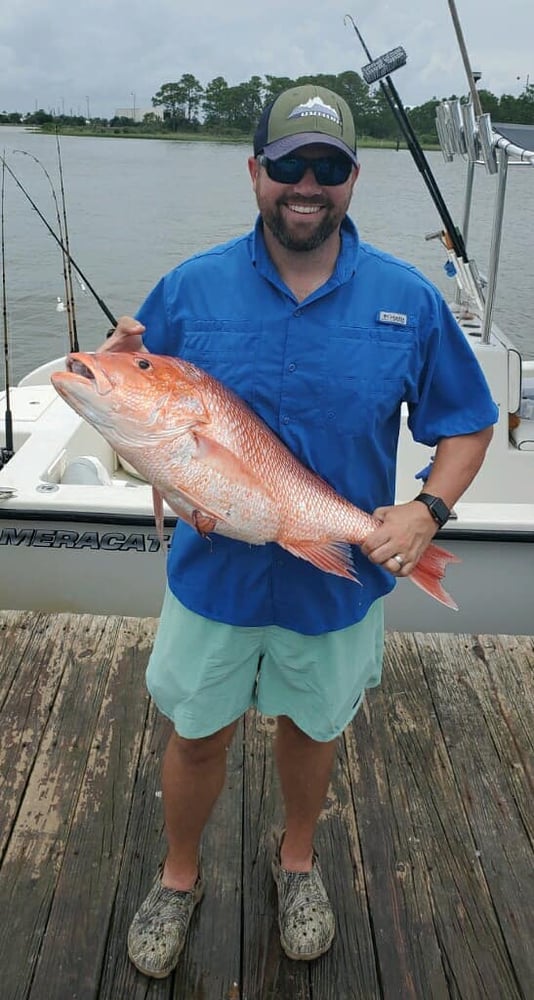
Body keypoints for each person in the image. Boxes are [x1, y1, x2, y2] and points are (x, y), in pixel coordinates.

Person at [98, 84, 497, 977]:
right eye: (288, 166)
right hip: (214, 577)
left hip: (331, 574)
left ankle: (298, 862)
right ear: (255, 172)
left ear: (354, 177)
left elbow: (468, 424)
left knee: (313, 729)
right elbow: (128, 393)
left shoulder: (407, 299)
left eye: (328, 167)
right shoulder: (191, 286)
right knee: (197, 731)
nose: (306, 185)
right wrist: (117, 368)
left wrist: (426, 509)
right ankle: (177, 875)